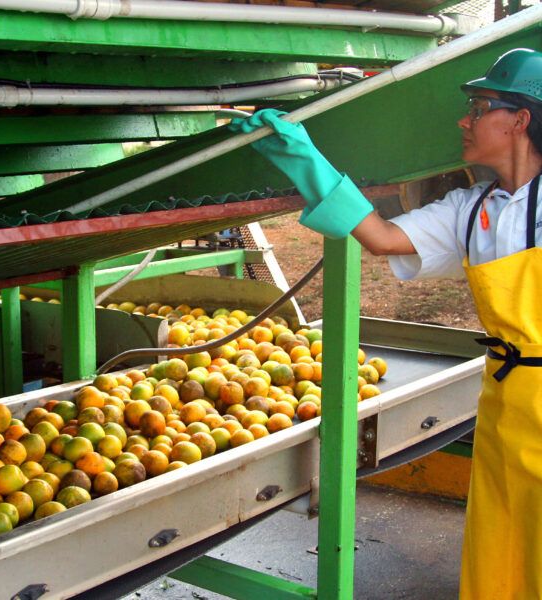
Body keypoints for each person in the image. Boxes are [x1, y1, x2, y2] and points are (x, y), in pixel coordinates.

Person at [230, 48, 542, 599]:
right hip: (506, 400)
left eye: (478, 106)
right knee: (503, 548)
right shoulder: (473, 209)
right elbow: (381, 236)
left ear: (520, 120)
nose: (463, 120)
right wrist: (306, 160)